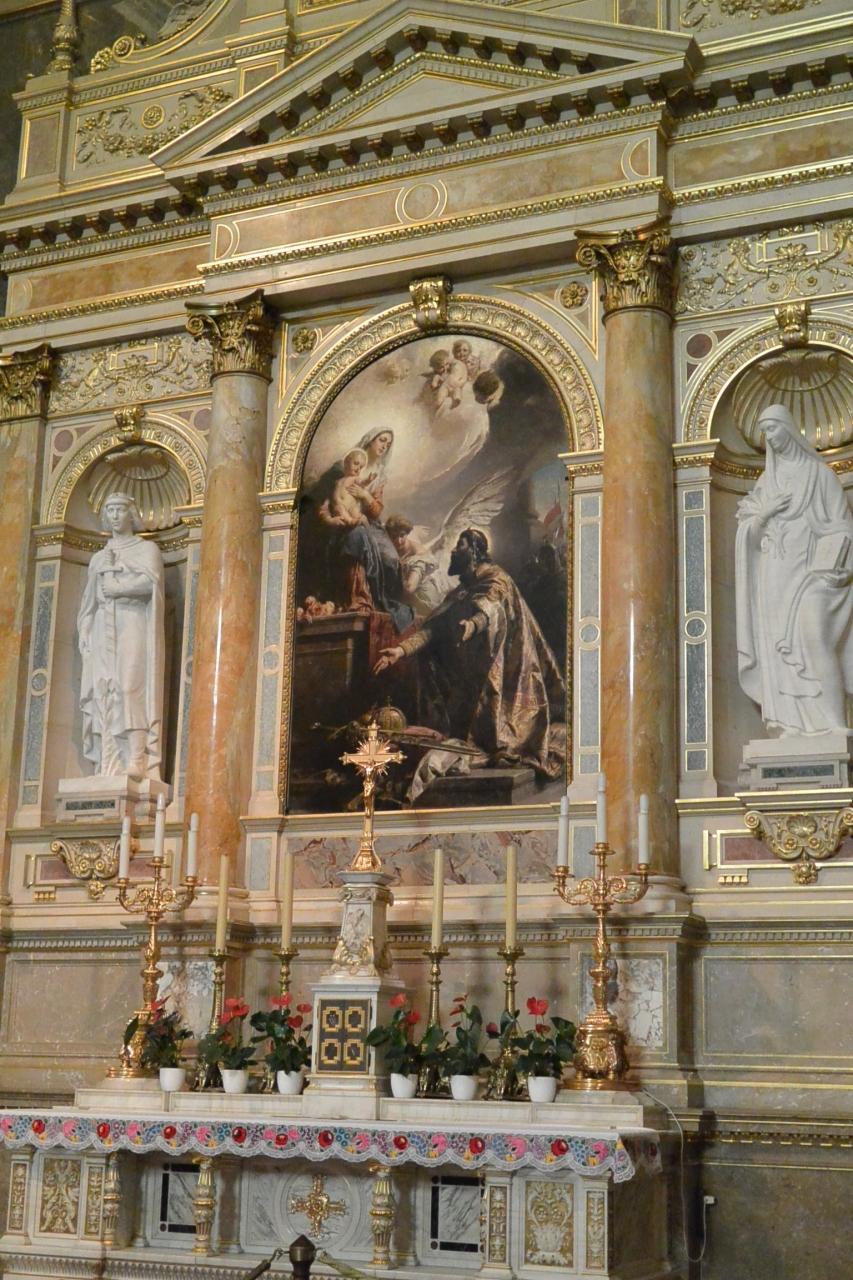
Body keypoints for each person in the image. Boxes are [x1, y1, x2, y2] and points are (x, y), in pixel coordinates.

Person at [374, 528, 564, 775]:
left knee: (502, 735)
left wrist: (473, 625)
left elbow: (492, 607)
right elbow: (433, 629)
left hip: (506, 668)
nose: (454, 551)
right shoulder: (460, 592)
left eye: (460, 545)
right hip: (471, 672)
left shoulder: (497, 579)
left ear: (475, 551)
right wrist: (401, 650)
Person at [736, 403, 853, 735]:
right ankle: (789, 723)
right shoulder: (766, 482)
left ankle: (834, 722)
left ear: (787, 429)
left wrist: (836, 561)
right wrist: (765, 513)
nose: (769, 437)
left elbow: (843, 526)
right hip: (774, 576)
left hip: (816, 575)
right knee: (777, 649)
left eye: (773, 428)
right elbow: (748, 536)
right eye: (764, 431)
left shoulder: (820, 476)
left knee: (815, 638)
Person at [77, 492, 165, 779]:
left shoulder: (146, 549)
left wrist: (120, 588)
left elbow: (151, 584)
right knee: (104, 690)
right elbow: (89, 602)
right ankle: (107, 761)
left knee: (129, 687)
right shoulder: (98, 558)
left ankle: (137, 757)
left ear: (132, 514)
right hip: (103, 627)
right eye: (110, 510)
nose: (114, 515)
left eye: (120, 510)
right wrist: (85, 632)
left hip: (133, 621)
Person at [310, 429, 412, 631]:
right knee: (357, 540)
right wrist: (332, 518)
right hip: (343, 520)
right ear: (370, 440)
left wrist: (365, 496)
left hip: (369, 523)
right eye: (382, 440)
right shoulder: (342, 467)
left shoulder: (379, 475)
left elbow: (376, 510)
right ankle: (359, 599)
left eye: (388, 444)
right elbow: (325, 500)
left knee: (391, 560)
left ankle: (381, 604)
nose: (384, 446)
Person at [385, 514, 451, 615]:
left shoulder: (418, 557)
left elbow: (409, 589)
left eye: (402, 536)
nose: (398, 541)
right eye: (394, 537)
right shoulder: (395, 547)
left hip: (423, 600)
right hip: (407, 596)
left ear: (407, 534)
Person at [323, 447, 372, 528]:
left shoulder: (354, 479)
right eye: (356, 463)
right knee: (340, 509)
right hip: (339, 505)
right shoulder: (337, 480)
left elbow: (362, 483)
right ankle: (350, 521)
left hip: (351, 506)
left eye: (361, 467)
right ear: (346, 463)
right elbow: (329, 496)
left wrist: (368, 480)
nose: (358, 469)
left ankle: (366, 528)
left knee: (358, 514)